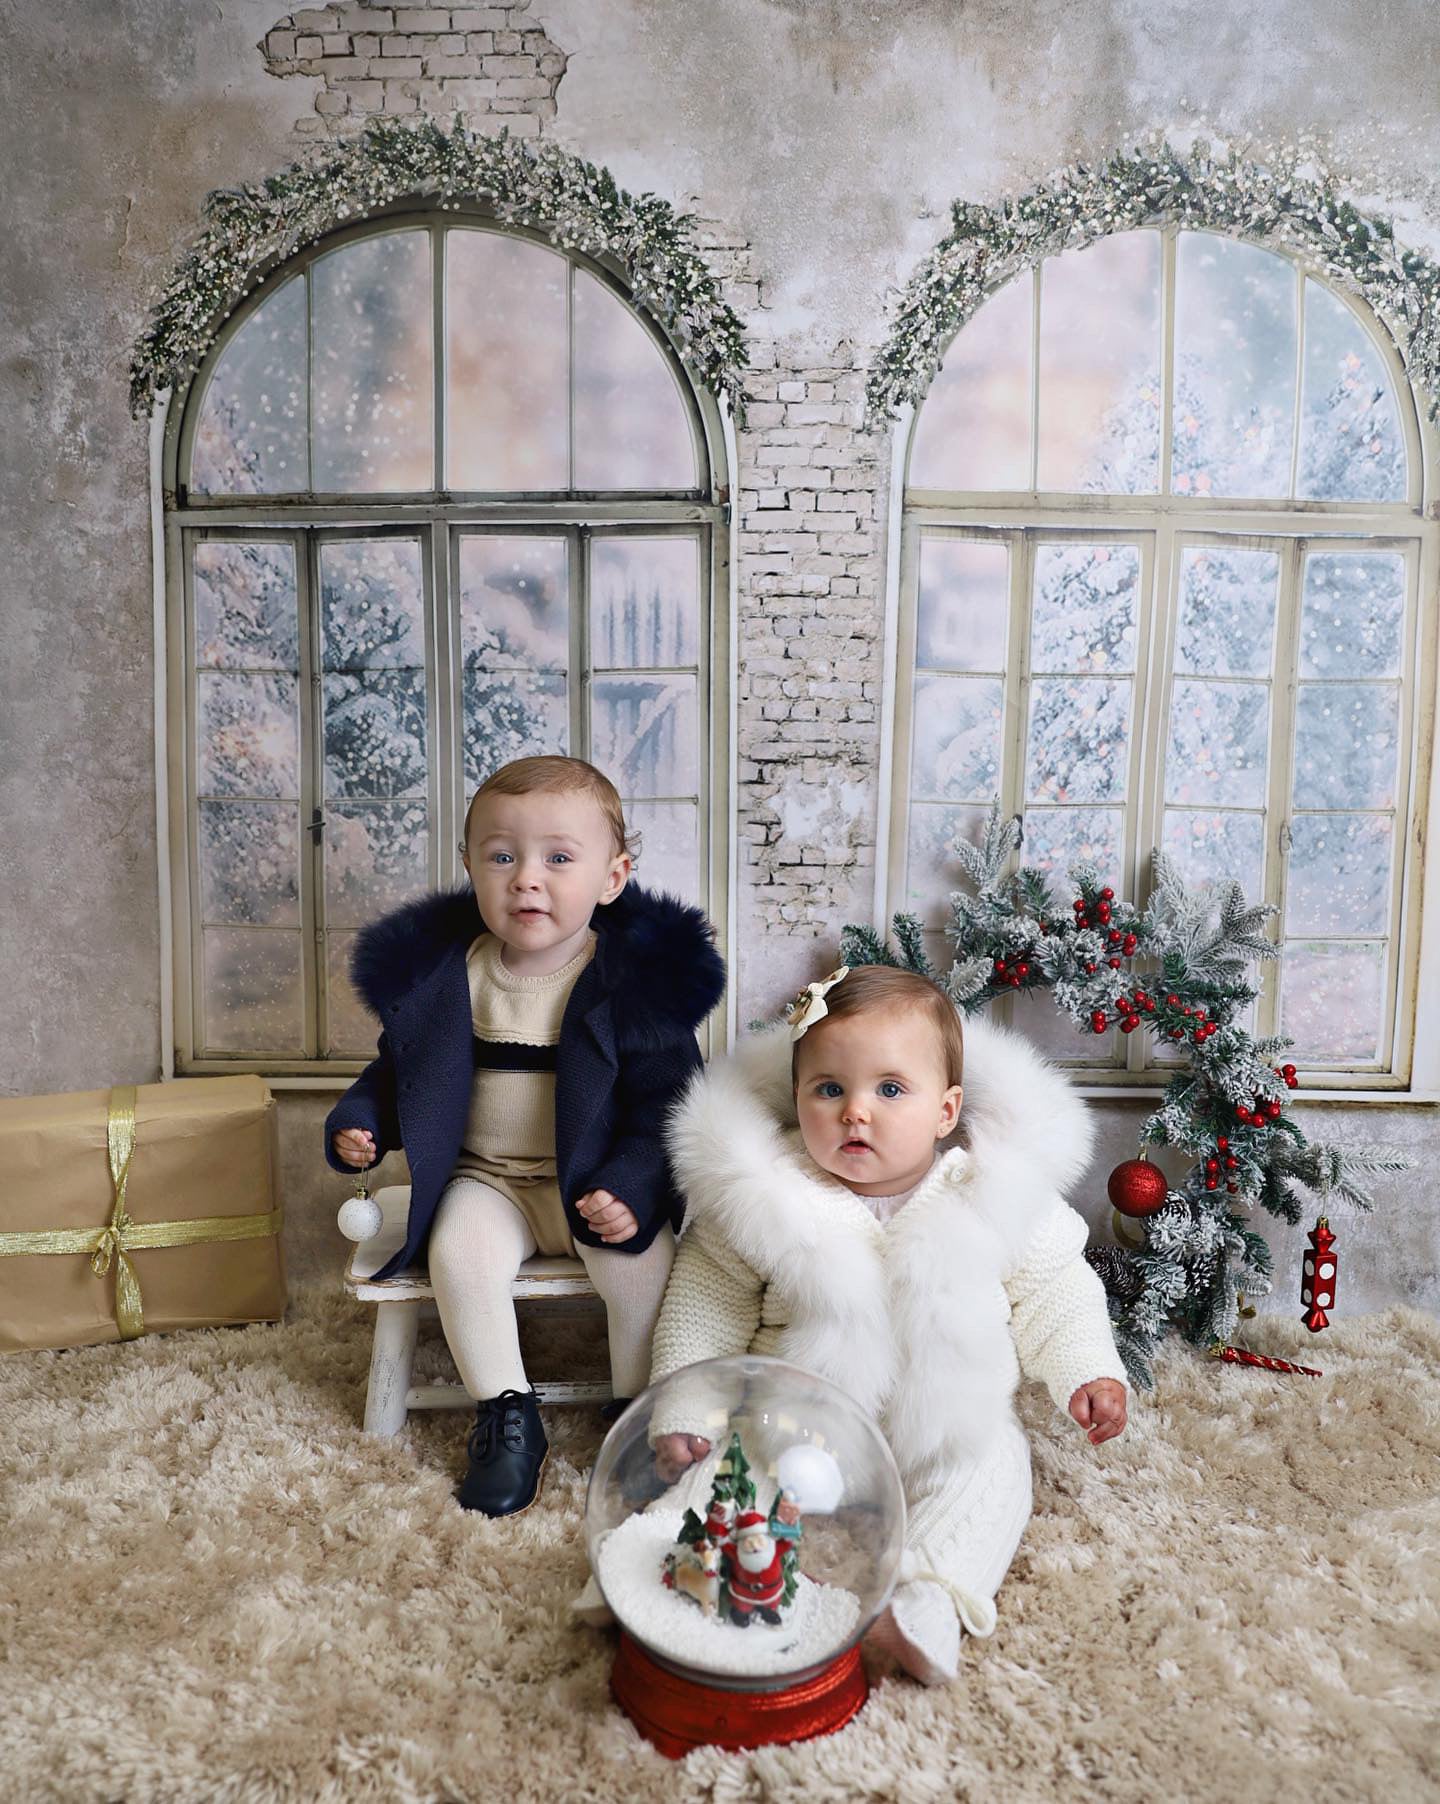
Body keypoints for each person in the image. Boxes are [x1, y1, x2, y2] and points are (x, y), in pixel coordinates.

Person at [646, 963, 1128, 1684]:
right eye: (828, 1089)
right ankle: (658, 1564)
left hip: (942, 1421)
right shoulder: (768, 1199)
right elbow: (706, 1304)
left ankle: (928, 1597)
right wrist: (684, 1410)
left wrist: (1087, 1369)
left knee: (994, 1469)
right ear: (797, 1099)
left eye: (891, 1090)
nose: (855, 1112)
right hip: (796, 1419)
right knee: (726, 1469)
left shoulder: (991, 1195)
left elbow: (1055, 1290)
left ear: (946, 1110)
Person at [325, 755, 725, 1518]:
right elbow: (397, 1074)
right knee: (460, 1257)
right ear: (470, 868)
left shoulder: (632, 987)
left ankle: (638, 1410)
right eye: (502, 857)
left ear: (613, 878)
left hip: (595, 1181)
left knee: (643, 1272)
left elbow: (669, 1110)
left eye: (559, 859)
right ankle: (507, 1411)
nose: (526, 880)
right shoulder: (451, 978)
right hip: (490, 1182)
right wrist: (361, 1122)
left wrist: (632, 1189)